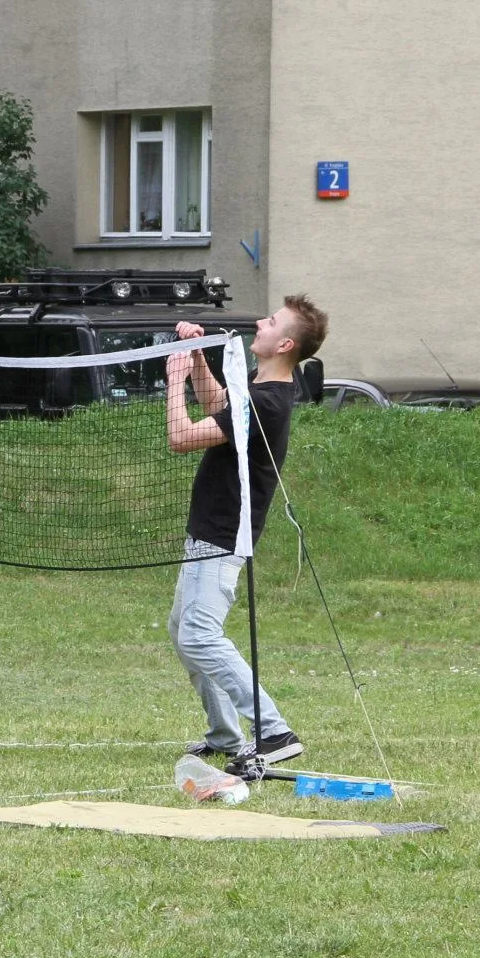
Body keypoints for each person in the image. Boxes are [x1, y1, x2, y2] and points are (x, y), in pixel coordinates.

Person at [164, 296, 328, 768]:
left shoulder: (266, 402)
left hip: (222, 536)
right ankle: (225, 735)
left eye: (271, 321)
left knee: (198, 635)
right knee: (184, 631)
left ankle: (274, 731)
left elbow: (181, 437)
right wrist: (196, 357)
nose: (261, 322)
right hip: (209, 531)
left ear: (286, 344)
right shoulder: (262, 394)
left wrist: (174, 380)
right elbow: (219, 404)